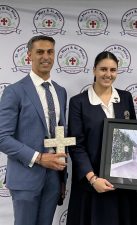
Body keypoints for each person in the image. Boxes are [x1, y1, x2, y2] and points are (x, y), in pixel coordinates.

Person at [66, 51, 137, 225]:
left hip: (122, 181)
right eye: (103, 69)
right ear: (94, 70)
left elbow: (135, 135)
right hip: (91, 181)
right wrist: (93, 179)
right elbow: (76, 145)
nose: (108, 74)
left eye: (113, 70)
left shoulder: (125, 98)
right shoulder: (78, 102)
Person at [0, 35, 68, 225]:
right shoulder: (14, 91)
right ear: (29, 55)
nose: (46, 57)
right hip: (25, 178)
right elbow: (2, 137)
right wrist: (39, 158)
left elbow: (60, 132)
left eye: (50, 52)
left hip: (54, 179)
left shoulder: (60, 91)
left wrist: (63, 176)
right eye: (40, 52)